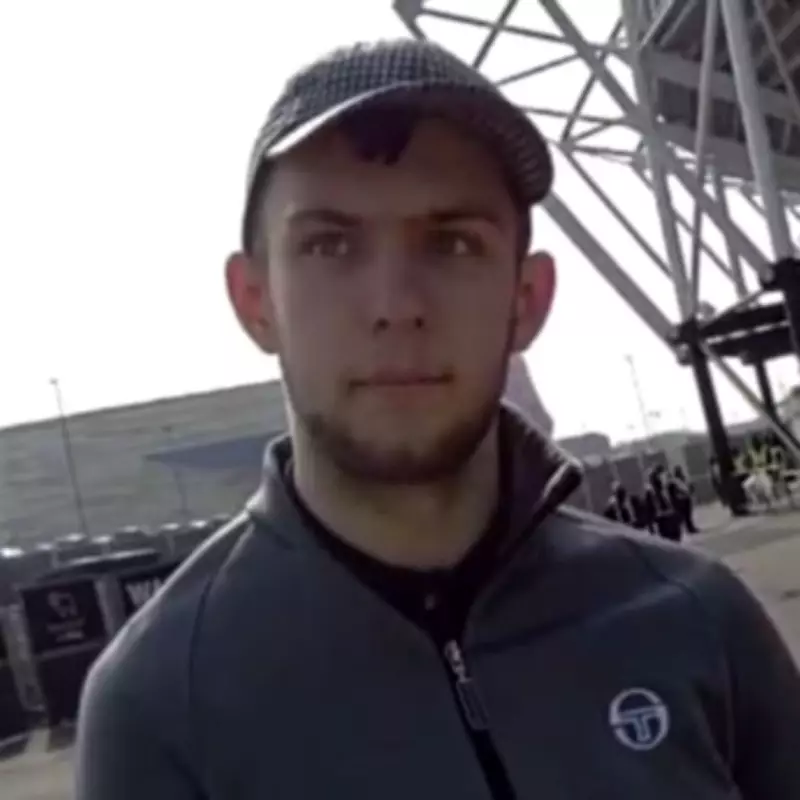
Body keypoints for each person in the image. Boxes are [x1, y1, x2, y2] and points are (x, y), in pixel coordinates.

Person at [75, 39, 800, 800]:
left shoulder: (698, 621)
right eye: (329, 245)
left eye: (453, 243)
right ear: (255, 302)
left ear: (527, 299)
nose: (396, 306)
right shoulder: (162, 705)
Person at [672, 465, 698, 534]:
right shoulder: (675, 481)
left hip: (687, 497)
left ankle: (691, 527)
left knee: (689, 514)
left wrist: (691, 488)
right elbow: (678, 490)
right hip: (682, 499)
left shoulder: (683, 478)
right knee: (686, 515)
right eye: (678, 471)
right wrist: (686, 492)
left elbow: (688, 486)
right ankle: (689, 528)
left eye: (680, 470)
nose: (680, 472)